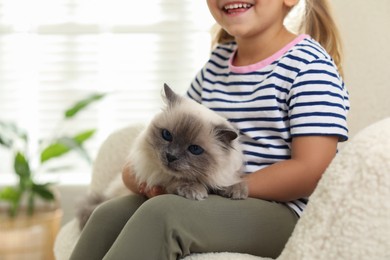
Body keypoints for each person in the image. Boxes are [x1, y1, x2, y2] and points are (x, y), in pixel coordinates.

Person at [69, 0, 350, 259]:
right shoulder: (215, 65)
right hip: (213, 199)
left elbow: (312, 170)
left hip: (285, 214)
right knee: (108, 214)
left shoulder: (309, 65)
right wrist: (145, 178)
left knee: (164, 215)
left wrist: (223, 187)